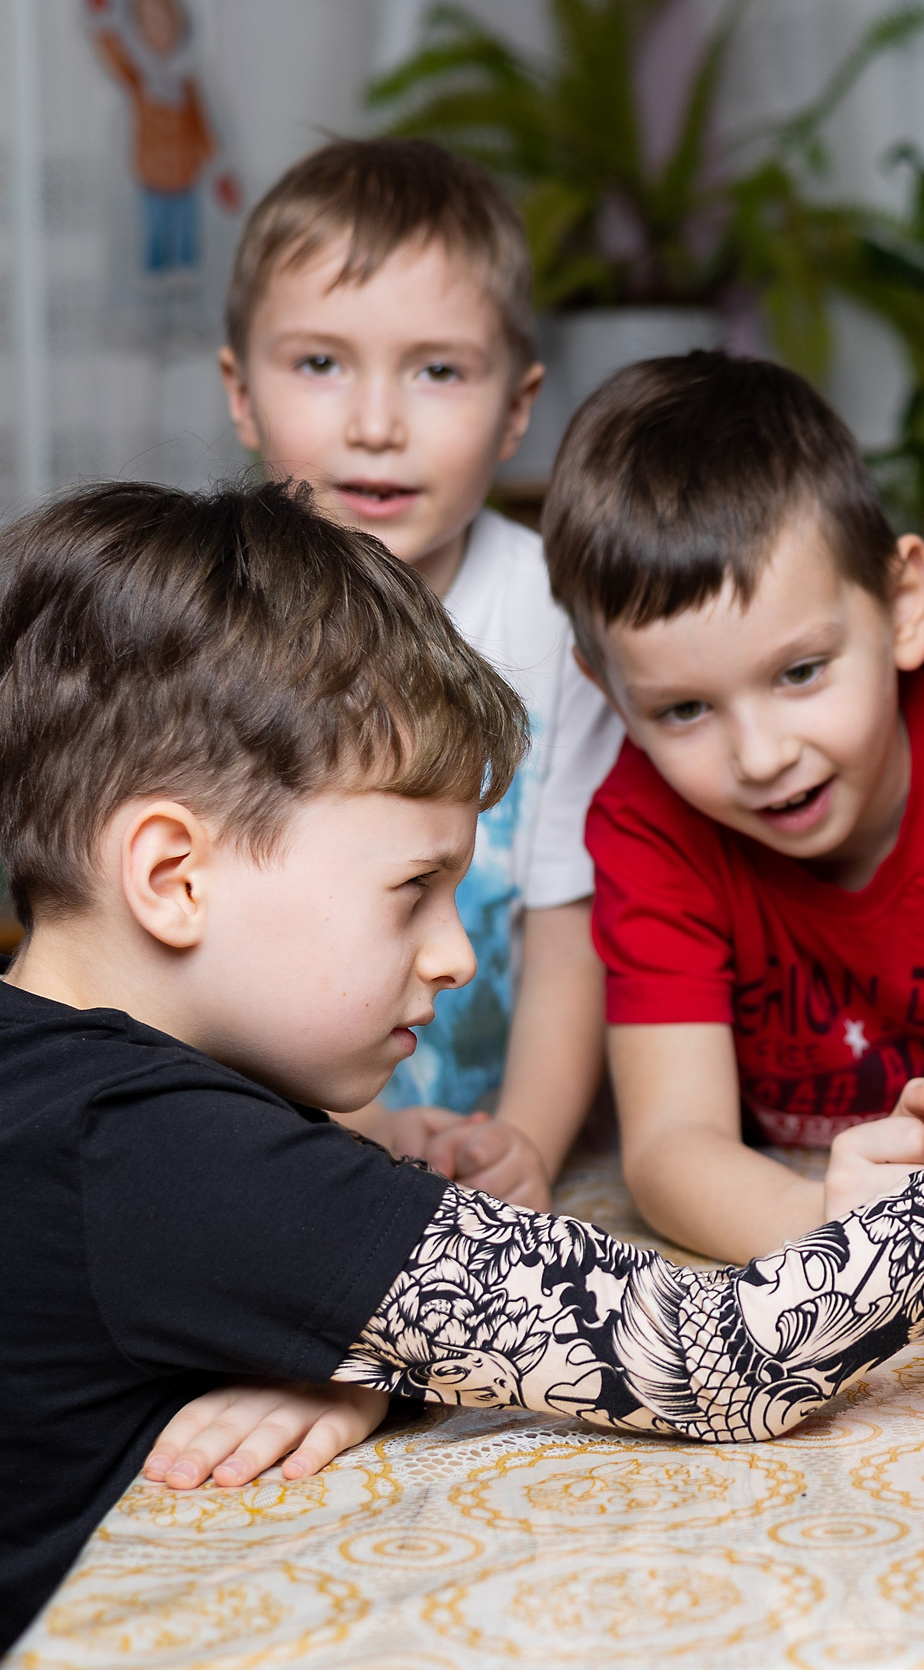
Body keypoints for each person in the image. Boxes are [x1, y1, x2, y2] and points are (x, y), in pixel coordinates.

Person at [0, 481, 924, 1670]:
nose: (450, 952)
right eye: (412, 889)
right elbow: (726, 1356)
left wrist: (366, 1357)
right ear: (174, 874)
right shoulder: (146, 1152)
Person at [545, 351, 924, 1263]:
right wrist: (840, 1233)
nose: (761, 755)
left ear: (902, 603)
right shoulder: (644, 823)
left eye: (800, 672)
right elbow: (672, 1149)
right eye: (683, 709)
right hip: (813, 1200)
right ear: (608, 691)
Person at [218, 137, 620, 1211]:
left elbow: (566, 925)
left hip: (505, 1139)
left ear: (518, 407)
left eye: (437, 369)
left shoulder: (556, 622)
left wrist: (523, 1141)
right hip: (273, 1149)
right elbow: (207, 963)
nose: (377, 425)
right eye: (320, 364)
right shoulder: (209, 628)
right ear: (240, 392)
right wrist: (361, 1130)